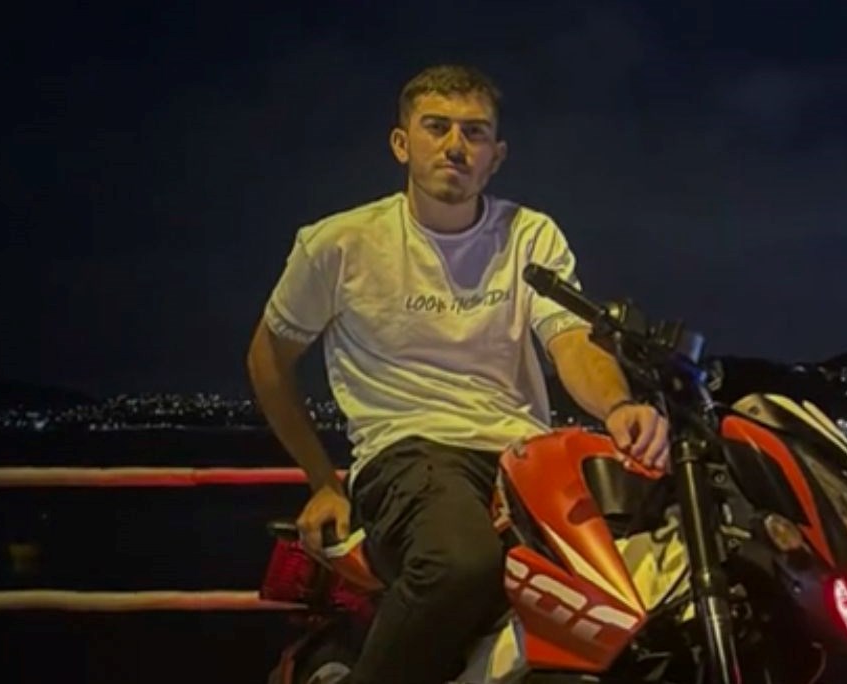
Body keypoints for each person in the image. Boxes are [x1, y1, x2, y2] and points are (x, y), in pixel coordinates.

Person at [247, 64, 670, 684]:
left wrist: (617, 406)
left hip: (526, 457)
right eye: (436, 127)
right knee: (460, 566)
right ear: (402, 143)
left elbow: (571, 338)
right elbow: (267, 359)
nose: (455, 145)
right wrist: (322, 480)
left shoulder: (529, 234)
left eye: (474, 132)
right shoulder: (340, 244)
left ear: (496, 156)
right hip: (409, 452)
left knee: (640, 576)